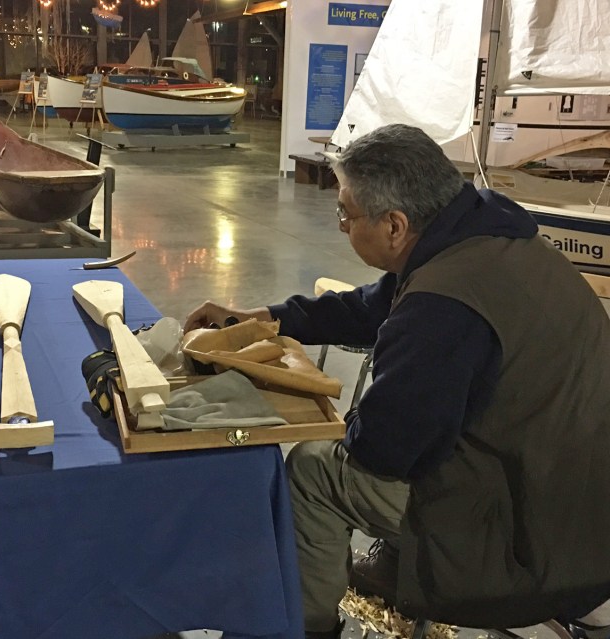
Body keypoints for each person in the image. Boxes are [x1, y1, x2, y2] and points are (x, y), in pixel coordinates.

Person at [184, 124, 610, 638]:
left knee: (316, 470)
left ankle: (308, 628)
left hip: (535, 532)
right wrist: (266, 317)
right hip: (579, 488)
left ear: (393, 225)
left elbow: (381, 450)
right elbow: (372, 305)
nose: (340, 223)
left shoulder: (440, 309)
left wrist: (335, 409)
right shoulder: (483, 235)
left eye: (345, 212)